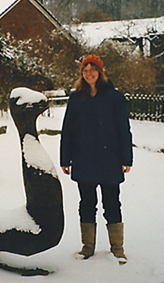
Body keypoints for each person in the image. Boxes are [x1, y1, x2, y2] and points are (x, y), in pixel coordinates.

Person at [60, 54, 133, 265]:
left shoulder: (115, 98)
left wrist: (126, 158)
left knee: (112, 203)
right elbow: (68, 131)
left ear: (100, 72)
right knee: (87, 204)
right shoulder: (76, 98)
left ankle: (117, 249)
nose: (88, 73)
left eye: (92, 69)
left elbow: (123, 130)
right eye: (85, 70)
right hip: (83, 159)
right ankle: (87, 247)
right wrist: (66, 159)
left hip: (109, 159)